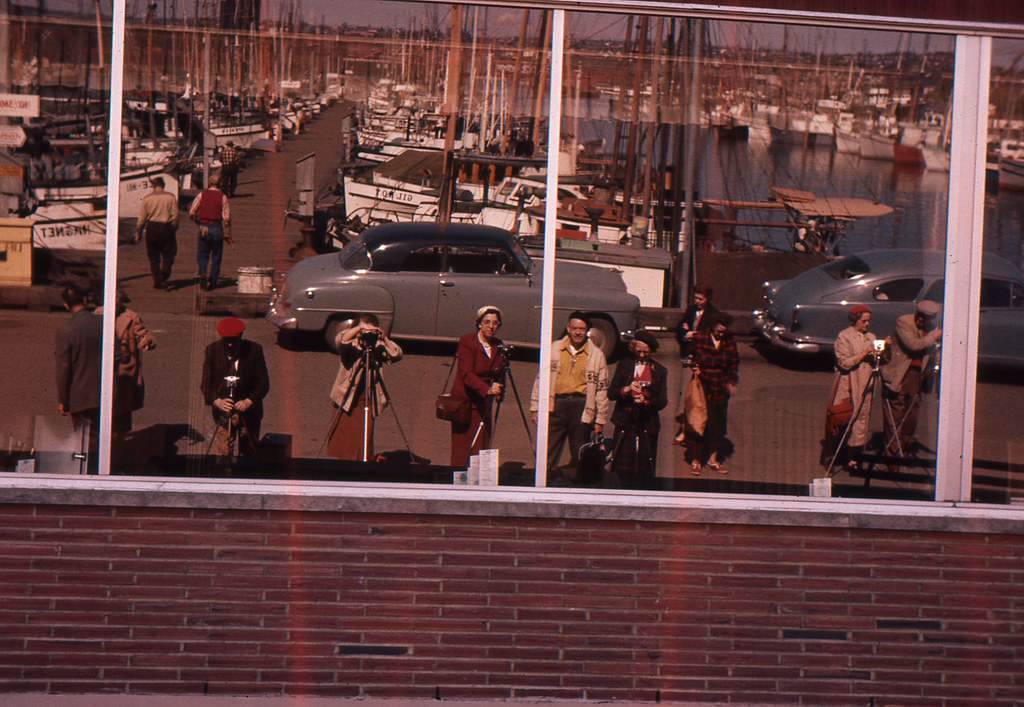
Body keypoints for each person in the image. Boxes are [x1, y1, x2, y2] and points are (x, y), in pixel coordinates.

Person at [530, 311, 610, 483]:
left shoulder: (596, 355)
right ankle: (542, 484)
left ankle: (578, 489)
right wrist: (536, 406)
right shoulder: (554, 348)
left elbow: (602, 390)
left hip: (581, 407)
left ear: (587, 330)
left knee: (579, 451)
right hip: (556, 404)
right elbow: (540, 378)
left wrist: (600, 419)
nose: (578, 332)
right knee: (547, 449)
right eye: (574, 328)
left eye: (582, 329)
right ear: (568, 328)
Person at [326, 314, 403, 461]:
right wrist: (359, 329)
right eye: (363, 331)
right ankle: (345, 463)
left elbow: (397, 354)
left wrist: (383, 338)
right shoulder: (351, 345)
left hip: (366, 398)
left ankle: (363, 462)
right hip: (346, 398)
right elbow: (339, 340)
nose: (367, 335)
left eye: (370, 331)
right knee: (345, 437)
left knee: (363, 435)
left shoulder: (378, 347)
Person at [200, 317, 270, 457]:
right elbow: (206, 384)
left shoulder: (255, 350)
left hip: (249, 411)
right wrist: (217, 401)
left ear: (241, 336)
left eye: (234, 342)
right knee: (223, 450)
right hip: (224, 413)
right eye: (227, 342)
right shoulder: (212, 350)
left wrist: (248, 401)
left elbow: (263, 383)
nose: (230, 346)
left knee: (249, 451)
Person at [881, 300, 942, 458]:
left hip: (917, 376)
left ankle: (904, 449)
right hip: (899, 375)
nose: (921, 320)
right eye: (919, 316)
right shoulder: (903, 321)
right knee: (895, 414)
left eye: (926, 318)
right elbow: (913, 345)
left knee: (911, 415)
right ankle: (893, 453)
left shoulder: (930, 329)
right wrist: (933, 337)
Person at [608, 331, 668, 489]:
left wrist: (646, 401)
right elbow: (612, 393)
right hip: (625, 420)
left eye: (646, 352)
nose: (642, 355)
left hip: (647, 422)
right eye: (638, 351)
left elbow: (662, 401)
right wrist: (626, 389)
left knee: (645, 464)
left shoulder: (660, 370)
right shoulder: (624, 365)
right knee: (621, 462)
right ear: (633, 348)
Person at [450, 306, 506, 467]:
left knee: (481, 444)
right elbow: (466, 373)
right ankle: (459, 480)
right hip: (465, 402)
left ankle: (477, 482)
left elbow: (500, 372)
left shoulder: (498, 345)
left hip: (484, 403)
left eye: (495, 323)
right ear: (479, 324)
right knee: (463, 446)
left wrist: (499, 389)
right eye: (487, 322)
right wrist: (487, 389)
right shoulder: (467, 341)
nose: (491, 326)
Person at [684, 312, 740, 475]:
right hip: (702, 386)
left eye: (723, 332)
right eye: (718, 331)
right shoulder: (700, 338)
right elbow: (689, 357)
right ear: (712, 327)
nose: (721, 334)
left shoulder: (729, 341)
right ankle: (696, 460)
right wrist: (694, 366)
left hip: (720, 388)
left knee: (717, 426)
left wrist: (732, 381)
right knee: (698, 423)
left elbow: (734, 363)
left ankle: (713, 459)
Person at [54, 285, 102, 474]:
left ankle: (84, 472)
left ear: (66, 304)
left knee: (82, 439)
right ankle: (100, 468)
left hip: (79, 395)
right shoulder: (102, 323)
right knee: (100, 436)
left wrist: (63, 400)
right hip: (103, 392)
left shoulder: (66, 330)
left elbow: (63, 368)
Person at [96, 292, 156, 437]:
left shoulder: (131, 317)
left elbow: (146, 335)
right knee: (102, 410)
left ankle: (121, 439)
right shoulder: (97, 314)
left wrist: (147, 340)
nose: (115, 301)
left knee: (121, 413)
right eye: (112, 297)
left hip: (125, 370)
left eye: (117, 298)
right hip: (103, 368)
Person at [830, 304, 881, 469]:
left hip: (867, 382)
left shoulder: (871, 336)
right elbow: (844, 363)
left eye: (869, 321)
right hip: (851, 383)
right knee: (848, 417)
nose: (867, 325)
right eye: (864, 321)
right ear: (856, 320)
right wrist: (865, 353)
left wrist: (882, 352)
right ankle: (843, 455)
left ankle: (856, 455)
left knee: (863, 418)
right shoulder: (844, 336)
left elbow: (879, 360)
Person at [188, 175, 232, 291]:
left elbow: (192, 212)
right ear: (220, 184)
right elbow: (226, 218)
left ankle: (203, 272)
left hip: (203, 227)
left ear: (209, 184)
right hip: (217, 227)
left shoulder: (202, 195)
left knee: (203, 253)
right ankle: (213, 281)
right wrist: (227, 234)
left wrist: (198, 222)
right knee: (216, 255)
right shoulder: (223, 197)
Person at [136, 176, 179, 290]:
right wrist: (174, 229)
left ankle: (157, 279)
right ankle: (164, 273)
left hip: (152, 228)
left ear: (153, 186)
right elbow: (175, 216)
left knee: (153, 256)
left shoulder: (147, 199)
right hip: (166, 227)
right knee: (169, 253)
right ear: (163, 185)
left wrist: (138, 233)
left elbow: (141, 219)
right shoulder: (170, 197)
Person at [675, 285, 718, 363]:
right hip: (687, 351)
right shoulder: (691, 310)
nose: (697, 301)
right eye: (695, 298)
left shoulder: (713, 314)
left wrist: (694, 335)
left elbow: (710, 334)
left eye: (700, 299)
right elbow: (680, 327)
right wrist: (685, 334)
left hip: (703, 353)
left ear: (707, 299)